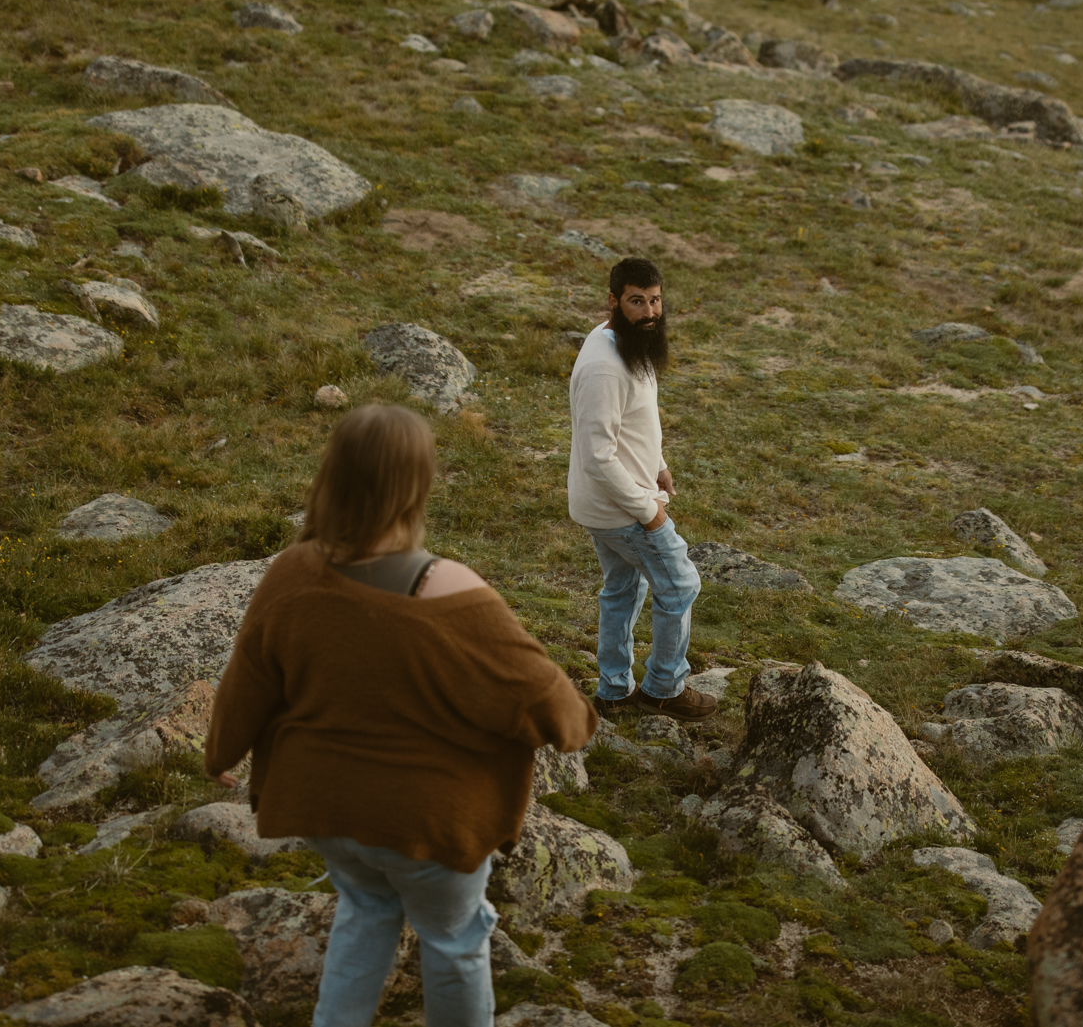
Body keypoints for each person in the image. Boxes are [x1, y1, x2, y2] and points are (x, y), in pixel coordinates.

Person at [205, 403, 596, 1027]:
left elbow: (247, 678)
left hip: (328, 811)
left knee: (365, 911)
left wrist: (221, 754)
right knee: (455, 938)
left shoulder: (292, 571)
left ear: (331, 475)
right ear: (417, 485)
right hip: (427, 825)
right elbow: (546, 703)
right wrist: (577, 722)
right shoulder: (452, 592)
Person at [567, 256, 714, 721]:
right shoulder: (605, 367)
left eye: (655, 300)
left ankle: (613, 690)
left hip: (612, 501)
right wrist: (647, 510)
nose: (650, 312)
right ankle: (664, 688)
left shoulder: (621, 340)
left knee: (621, 589)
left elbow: (634, 423)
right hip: (621, 510)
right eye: (636, 301)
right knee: (680, 584)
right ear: (613, 301)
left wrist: (658, 465)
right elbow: (598, 456)